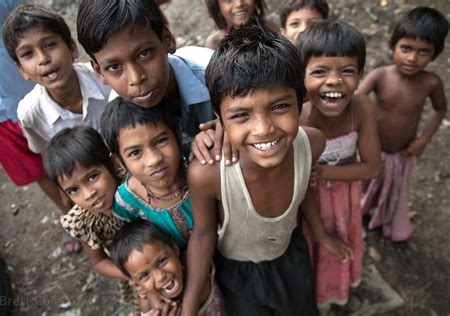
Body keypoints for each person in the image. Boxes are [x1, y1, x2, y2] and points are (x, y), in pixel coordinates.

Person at [182, 25, 354, 316]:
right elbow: (203, 235)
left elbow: (304, 189)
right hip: (240, 276)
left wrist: (321, 235)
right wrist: (188, 306)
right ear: (219, 118)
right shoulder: (209, 174)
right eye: (241, 115)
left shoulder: (311, 143)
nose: (263, 129)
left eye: (279, 106)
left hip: (292, 256)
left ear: (301, 102)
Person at [0, 0, 79, 251]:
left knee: (74, 150)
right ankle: (74, 219)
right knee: (35, 169)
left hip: (36, 92)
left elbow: (33, 24)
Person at [295, 20, 381, 310]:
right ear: (300, 77)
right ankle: (316, 298)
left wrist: (324, 172)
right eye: (319, 72)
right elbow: (301, 186)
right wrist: (320, 233)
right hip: (309, 206)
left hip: (346, 200)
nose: (334, 81)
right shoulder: (296, 118)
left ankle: (341, 291)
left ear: (360, 76)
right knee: (314, 248)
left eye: (347, 71)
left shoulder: (363, 108)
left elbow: (371, 167)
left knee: (344, 243)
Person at [357, 7, 448, 242]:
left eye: (423, 52)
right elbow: (356, 100)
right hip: (372, 148)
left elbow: (439, 109)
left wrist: (424, 140)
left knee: (395, 188)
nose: (412, 58)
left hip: (402, 151)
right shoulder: (380, 76)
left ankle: (386, 219)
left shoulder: (431, 83)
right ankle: (360, 210)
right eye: (406, 48)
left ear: (435, 55)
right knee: (364, 183)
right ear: (392, 46)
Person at [77, 0, 214, 144]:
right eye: (114, 67)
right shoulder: (118, 120)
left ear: (167, 41)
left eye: (144, 54)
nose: (135, 78)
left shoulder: (214, 74)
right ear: (100, 72)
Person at [42, 126, 141, 313]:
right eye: (73, 190)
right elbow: (99, 262)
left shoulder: (136, 185)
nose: (88, 194)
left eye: (92, 177)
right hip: (133, 275)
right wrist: (134, 274)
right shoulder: (83, 221)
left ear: (111, 163)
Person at [2, 4, 111, 156]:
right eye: (28, 54)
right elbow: (50, 154)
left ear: (72, 48)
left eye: (50, 45)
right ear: (22, 70)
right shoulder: (30, 114)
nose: (43, 59)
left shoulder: (107, 78)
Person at [100, 98, 194, 251]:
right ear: (118, 161)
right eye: (135, 152)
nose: (154, 160)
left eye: (160, 141)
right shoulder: (126, 201)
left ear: (177, 135)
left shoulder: (196, 160)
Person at [111, 220, 225, 315]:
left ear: (175, 249)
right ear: (134, 282)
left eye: (161, 261)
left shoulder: (194, 268)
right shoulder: (149, 305)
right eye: (144, 275)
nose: (160, 277)